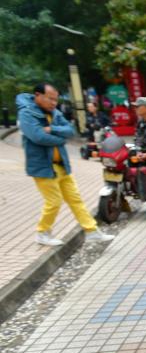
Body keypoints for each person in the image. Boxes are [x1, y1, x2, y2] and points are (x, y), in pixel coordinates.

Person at [16, 84, 114, 247]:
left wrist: (51, 129)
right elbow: (38, 137)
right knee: (53, 201)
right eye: (50, 98)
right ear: (37, 95)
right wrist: (60, 140)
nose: (54, 103)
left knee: (75, 199)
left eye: (55, 99)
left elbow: (70, 130)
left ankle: (91, 231)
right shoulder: (27, 113)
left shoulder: (54, 113)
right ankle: (42, 233)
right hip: (42, 166)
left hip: (62, 164)